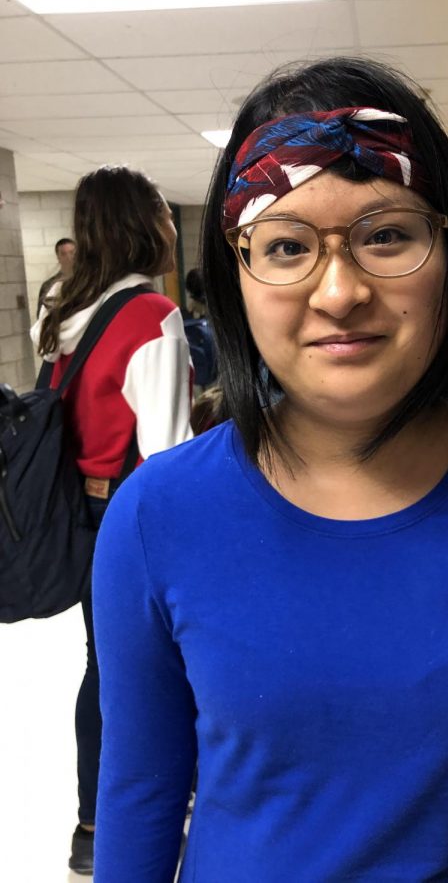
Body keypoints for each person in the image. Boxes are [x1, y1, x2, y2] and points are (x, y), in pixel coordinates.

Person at [92, 58, 448, 882]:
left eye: (386, 236)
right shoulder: (156, 515)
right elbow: (141, 789)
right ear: (236, 275)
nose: (339, 292)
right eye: (288, 245)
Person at [30, 165, 193, 875]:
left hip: (73, 511)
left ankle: (91, 826)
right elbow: (169, 456)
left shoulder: (59, 313)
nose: (168, 225)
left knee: (106, 667)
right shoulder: (150, 316)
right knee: (152, 668)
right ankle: (144, 819)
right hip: (130, 517)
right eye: (161, 210)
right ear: (142, 222)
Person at [37, 236, 76, 317]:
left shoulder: (85, 281)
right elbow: (42, 316)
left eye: (72, 252)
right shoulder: (49, 286)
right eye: (64, 254)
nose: (69, 257)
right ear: (58, 257)